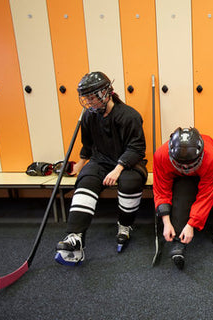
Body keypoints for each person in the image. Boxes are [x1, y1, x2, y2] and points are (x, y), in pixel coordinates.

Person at [55, 71, 148, 266]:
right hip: (101, 160)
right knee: (86, 179)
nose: (89, 102)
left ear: (106, 93)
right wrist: (80, 164)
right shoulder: (90, 116)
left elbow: (137, 148)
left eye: (92, 97)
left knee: (129, 182)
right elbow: (88, 145)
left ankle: (125, 226)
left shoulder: (129, 116)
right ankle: (76, 237)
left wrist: (118, 169)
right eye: (86, 98)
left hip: (130, 162)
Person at [153, 127, 213, 270]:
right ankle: (178, 237)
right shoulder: (161, 155)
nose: (186, 168)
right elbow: (161, 190)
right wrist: (166, 221)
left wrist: (192, 225)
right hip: (180, 175)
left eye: (189, 165)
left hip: (210, 168)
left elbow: (206, 196)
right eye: (182, 165)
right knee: (183, 188)